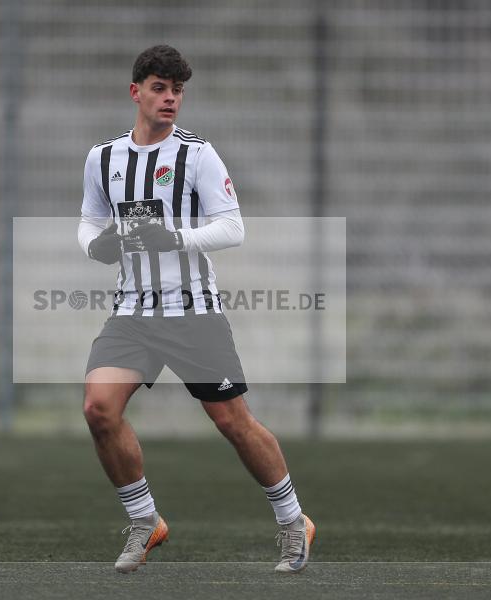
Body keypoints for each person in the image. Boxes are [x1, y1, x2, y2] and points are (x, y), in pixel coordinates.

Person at [77, 45, 315, 574]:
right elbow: (90, 221)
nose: (170, 99)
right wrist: (96, 246)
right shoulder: (104, 158)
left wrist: (175, 238)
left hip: (194, 311)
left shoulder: (198, 155)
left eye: (178, 90)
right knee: (98, 409)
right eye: (160, 88)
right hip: (133, 312)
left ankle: (294, 521)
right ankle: (145, 520)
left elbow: (233, 227)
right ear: (135, 91)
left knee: (233, 421)